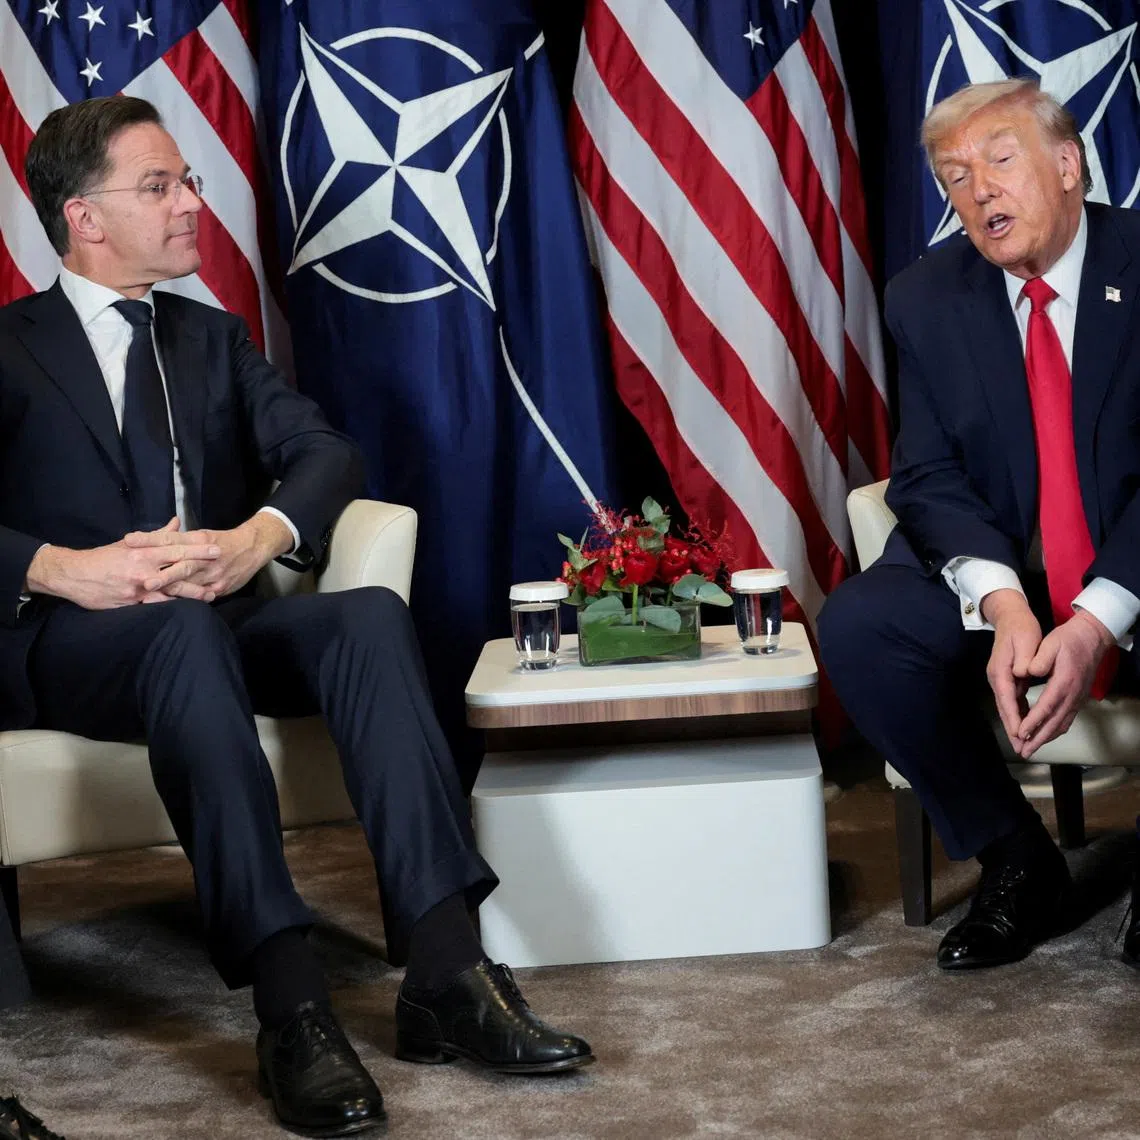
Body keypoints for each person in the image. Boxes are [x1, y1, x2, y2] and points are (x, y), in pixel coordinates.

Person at [3, 96, 592, 1137]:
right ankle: (290, 1007)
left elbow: (325, 454)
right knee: (179, 635)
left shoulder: (209, 336)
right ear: (83, 217)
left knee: (361, 614)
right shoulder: (10, 347)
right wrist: (63, 569)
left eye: (186, 179)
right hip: (76, 644)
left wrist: (254, 541)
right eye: (161, 186)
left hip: (214, 622)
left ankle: (446, 972)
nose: (193, 202)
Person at [819, 78, 1140, 972]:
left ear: (1068, 165)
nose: (980, 192)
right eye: (955, 178)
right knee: (863, 624)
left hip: (1131, 565)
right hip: (1014, 563)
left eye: (1000, 160)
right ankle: (1017, 860)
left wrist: (1097, 617)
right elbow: (926, 475)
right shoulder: (927, 297)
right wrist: (1004, 603)